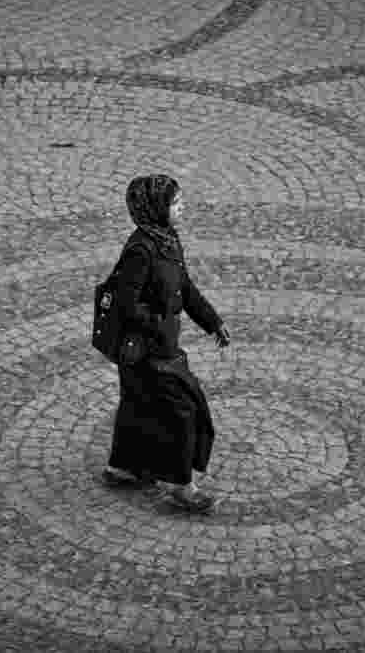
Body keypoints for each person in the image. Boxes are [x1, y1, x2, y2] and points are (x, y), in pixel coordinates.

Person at [102, 174, 231, 513]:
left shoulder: (168, 240)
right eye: (175, 203)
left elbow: (184, 288)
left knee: (139, 405)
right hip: (146, 351)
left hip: (156, 347)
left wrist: (211, 321)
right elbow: (126, 304)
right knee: (182, 410)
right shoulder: (140, 250)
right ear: (156, 208)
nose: (182, 207)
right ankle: (181, 485)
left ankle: (124, 467)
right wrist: (157, 325)